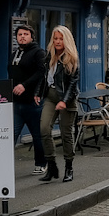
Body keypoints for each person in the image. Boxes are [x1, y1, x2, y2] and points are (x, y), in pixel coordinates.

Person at [37, 26, 80, 183]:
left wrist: (64, 101)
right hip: (50, 96)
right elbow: (43, 78)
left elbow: (73, 83)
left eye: (61, 39)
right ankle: (52, 165)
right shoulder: (50, 56)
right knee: (44, 128)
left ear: (66, 40)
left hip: (67, 99)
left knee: (66, 133)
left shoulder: (71, 59)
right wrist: (38, 93)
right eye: (55, 38)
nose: (57, 41)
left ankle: (69, 167)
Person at [8, 24, 48, 175]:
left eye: (25, 34)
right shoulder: (14, 54)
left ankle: (41, 163)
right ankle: (4, 164)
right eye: (19, 34)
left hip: (33, 102)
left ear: (32, 37)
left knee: (37, 135)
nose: (22, 37)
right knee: (10, 135)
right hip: (17, 103)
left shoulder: (38, 53)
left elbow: (41, 72)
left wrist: (25, 85)